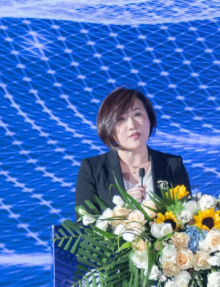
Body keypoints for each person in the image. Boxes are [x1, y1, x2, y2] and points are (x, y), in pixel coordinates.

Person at [75, 87, 191, 215]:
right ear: (109, 127)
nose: (132, 125)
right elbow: (84, 224)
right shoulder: (93, 169)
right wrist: (124, 208)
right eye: (121, 119)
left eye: (137, 114)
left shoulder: (173, 165)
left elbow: (187, 216)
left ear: (149, 119)